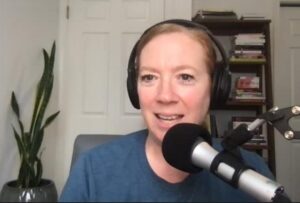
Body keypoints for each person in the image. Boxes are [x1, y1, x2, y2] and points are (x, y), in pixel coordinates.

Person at [59, 19, 273, 202]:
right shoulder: (93, 170)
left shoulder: (251, 174)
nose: (165, 96)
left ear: (216, 88)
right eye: (149, 77)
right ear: (135, 90)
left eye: (185, 77)